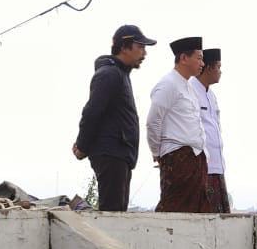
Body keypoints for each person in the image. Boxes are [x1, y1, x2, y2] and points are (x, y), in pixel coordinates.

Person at [72, 24, 156, 211]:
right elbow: (92, 112)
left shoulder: (120, 74)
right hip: (111, 153)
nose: (144, 53)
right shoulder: (109, 74)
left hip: (119, 153)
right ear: (125, 47)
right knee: (112, 214)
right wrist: (82, 146)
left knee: (117, 213)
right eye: (140, 47)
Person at [147, 37, 209, 212]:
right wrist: (156, 152)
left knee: (197, 211)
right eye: (198, 58)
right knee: (174, 209)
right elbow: (153, 121)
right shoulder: (168, 84)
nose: (202, 63)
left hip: (195, 157)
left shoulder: (188, 86)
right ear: (183, 58)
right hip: (177, 156)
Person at [189, 48, 229, 212]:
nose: (220, 71)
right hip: (201, 167)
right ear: (209, 68)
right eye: (218, 67)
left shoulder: (211, 95)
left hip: (217, 166)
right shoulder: (190, 90)